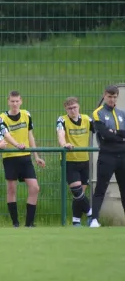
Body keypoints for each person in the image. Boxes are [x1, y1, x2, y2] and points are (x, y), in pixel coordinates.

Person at [0, 91, 45, 227]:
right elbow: (5, 134)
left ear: (21, 101)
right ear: (8, 102)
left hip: (25, 157)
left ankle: (29, 223)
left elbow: (30, 135)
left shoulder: (26, 114)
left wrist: (36, 156)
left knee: (34, 187)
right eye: (12, 101)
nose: (15, 104)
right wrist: (16, 144)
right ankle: (15, 223)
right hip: (10, 157)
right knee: (11, 189)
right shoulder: (2, 117)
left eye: (17, 101)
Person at [89, 85, 125, 228]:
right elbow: (105, 134)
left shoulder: (122, 113)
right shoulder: (98, 113)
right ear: (104, 96)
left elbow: (115, 134)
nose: (112, 99)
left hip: (122, 155)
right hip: (107, 156)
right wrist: (119, 135)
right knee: (101, 188)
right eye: (110, 96)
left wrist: (114, 133)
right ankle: (94, 219)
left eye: (114, 97)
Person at [56, 96, 94, 226]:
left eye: (75, 107)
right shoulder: (62, 120)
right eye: (70, 108)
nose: (73, 110)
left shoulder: (87, 119)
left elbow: (99, 132)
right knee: (77, 190)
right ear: (66, 109)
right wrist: (64, 143)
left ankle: (76, 221)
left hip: (84, 160)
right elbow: (60, 135)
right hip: (70, 161)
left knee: (79, 195)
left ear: (79, 107)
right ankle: (91, 215)